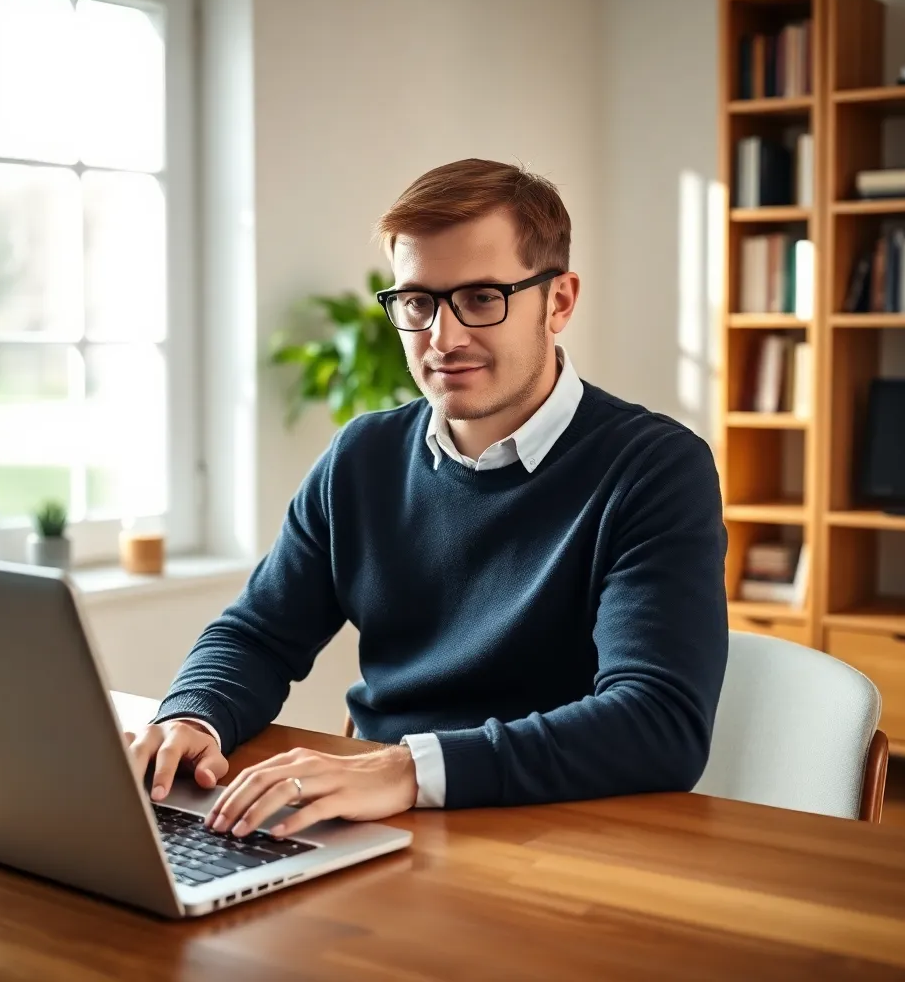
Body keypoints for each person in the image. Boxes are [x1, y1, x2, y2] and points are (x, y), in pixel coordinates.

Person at [126, 158, 728, 841]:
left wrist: (409, 770)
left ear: (559, 301)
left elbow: (659, 721)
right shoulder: (363, 456)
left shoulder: (654, 469)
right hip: (378, 826)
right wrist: (193, 715)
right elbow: (258, 634)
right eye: (417, 303)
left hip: (555, 838)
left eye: (481, 298)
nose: (443, 338)